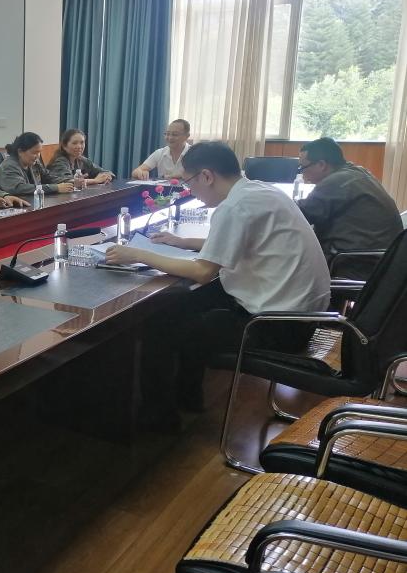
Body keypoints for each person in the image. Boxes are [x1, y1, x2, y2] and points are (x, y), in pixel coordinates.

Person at [106, 141, 331, 431]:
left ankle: (160, 417)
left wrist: (137, 254)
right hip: (301, 315)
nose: (190, 190)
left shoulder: (234, 207)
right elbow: (242, 240)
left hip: (274, 325)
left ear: (207, 176)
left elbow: (202, 272)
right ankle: (187, 397)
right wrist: (183, 242)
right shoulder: (258, 191)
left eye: (189, 182)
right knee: (181, 303)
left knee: (160, 324)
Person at [296, 137, 402, 281]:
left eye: (303, 167)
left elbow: (299, 215)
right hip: (383, 261)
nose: (302, 173)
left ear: (321, 164)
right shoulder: (358, 173)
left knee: (291, 258)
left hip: (356, 264)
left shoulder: (337, 182)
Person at [0, 132, 76, 196]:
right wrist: (56, 188)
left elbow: (48, 177)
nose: (38, 156)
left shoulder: (34, 163)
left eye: (39, 152)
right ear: (20, 151)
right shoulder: (9, 166)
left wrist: (70, 181)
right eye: (34, 152)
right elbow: (20, 188)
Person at [45, 129, 114, 185]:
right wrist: (96, 180)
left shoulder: (81, 159)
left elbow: (106, 172)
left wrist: (107, 176)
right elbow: (68, 181)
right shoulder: (59, 161)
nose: (79, 146)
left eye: (82, 142)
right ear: (64, 146)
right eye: (74, 143)